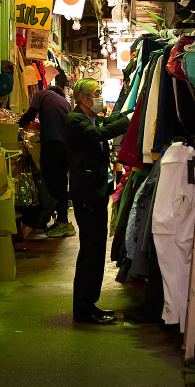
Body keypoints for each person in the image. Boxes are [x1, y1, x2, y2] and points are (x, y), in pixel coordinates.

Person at [65, 79, 130, 325]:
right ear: (83, 98)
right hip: (87, 195)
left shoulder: (91, 118)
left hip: (96, 193)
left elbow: (106, 123)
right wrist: (129, 120)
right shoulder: (76, 121)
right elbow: (101, 133)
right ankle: (84, 309)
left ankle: (89, 304)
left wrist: (129, 111)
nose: (99, 97)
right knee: (90, 250)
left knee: (95, 248)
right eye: (96, 93)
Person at [18, 71, 74, 237]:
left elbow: (29, 115)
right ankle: (61, 221)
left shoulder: (41, 94)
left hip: (52, 145)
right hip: (65, 148)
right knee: (61, 184)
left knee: (49, 184)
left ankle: (48, 221)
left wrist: (16, 125)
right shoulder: (64, 102)